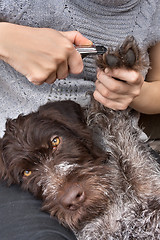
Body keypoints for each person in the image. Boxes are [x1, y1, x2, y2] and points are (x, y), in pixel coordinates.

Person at [0, 0, 160, 239]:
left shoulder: (154, 8)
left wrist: (136, 92)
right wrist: (7, 39)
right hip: (13, 159)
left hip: (117, 136)